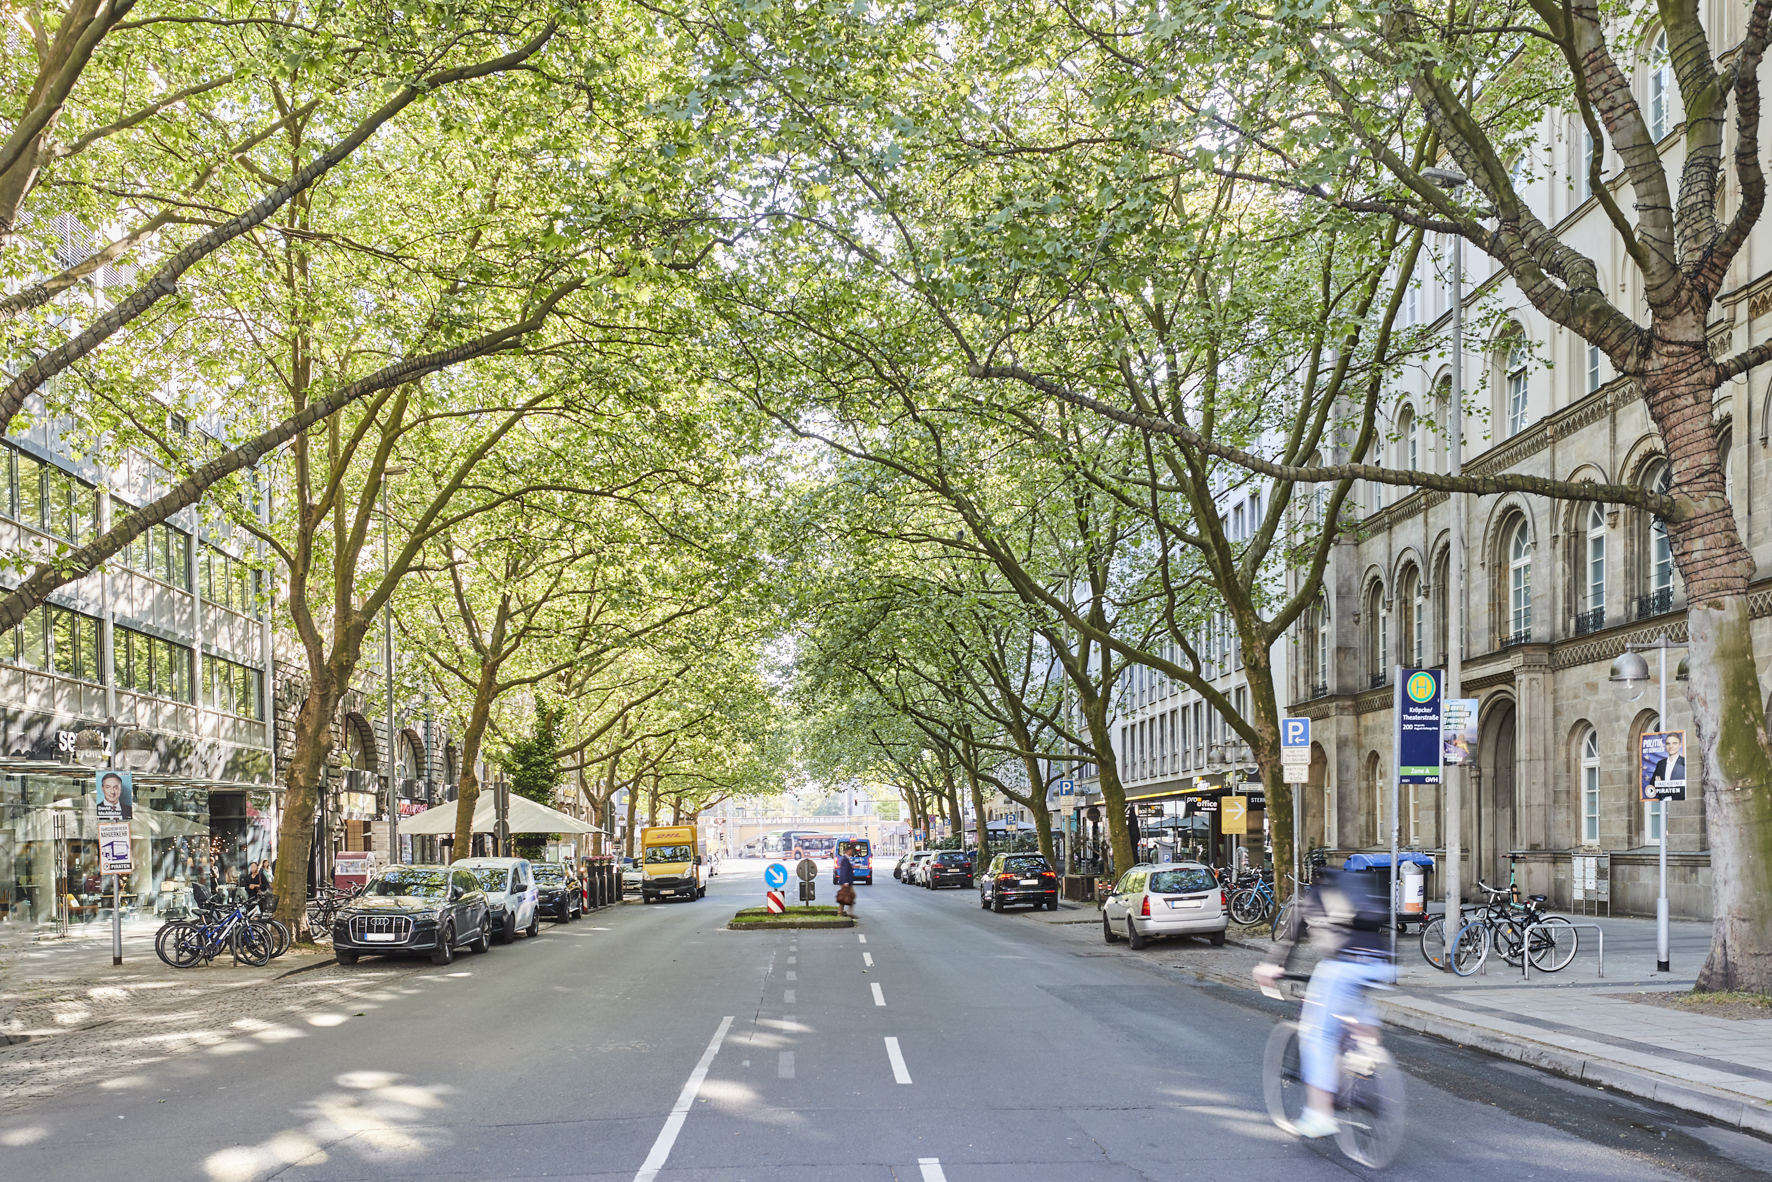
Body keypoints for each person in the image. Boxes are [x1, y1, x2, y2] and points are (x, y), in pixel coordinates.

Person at [1254, 868, 1393, 1139]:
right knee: (1356, 1014)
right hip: (1379, 962)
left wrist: (1273, 966)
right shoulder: (1359, 893)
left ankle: (1319, 1116)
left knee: (1318, 1035)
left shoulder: (1314, 896)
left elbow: (1291, 939)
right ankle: (1365, 1059)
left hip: (1342, 965)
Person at [835, 850, 856, 917]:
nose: (852, 853)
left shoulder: (846, 859)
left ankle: (846, 913)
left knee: (848, 896)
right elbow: (844, 871)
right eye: (851, 852)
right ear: (846, 852)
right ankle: (841, 913)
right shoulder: (845, 860)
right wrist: (845, 882)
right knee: (844, 897)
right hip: (846, 882)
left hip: (847, 882)